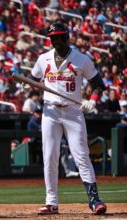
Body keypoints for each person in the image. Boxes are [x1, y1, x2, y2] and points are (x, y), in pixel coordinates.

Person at [30, 23, 107, 215]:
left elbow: (99, 84)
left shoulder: (81, 59)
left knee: (81, 155)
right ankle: (51, 202)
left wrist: (93, 101)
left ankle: (94, 200)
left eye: (60, 37)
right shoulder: (43, 58)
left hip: (73, 111)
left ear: (67, 37)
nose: (56, 41)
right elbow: (32, 78)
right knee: (49, 156)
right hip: (50, 112)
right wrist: (27, 86)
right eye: (53, 38)